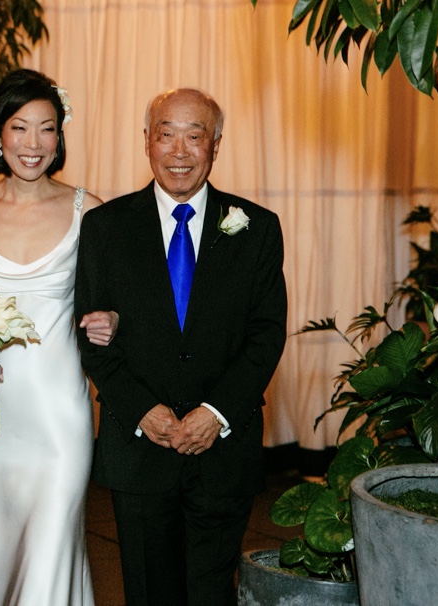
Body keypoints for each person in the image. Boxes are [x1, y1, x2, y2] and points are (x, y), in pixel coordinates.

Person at [74, 88, 288, 606]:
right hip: (140, 449)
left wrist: (216, 411)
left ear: (216, 145)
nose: (179, 150)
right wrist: (142, 410)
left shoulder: (256, 227)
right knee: (148, 592)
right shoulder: (106, 227)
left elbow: (267, 334)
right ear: (147, 141)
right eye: (166, 134)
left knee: (212, 592)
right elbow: (90, 336)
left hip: (224, 448)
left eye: (195, 137)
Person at [0, 69, 116, 606]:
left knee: (52, 541)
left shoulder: (91, 212)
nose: (33, 144)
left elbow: (114, 306)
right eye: (20, 128)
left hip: (60, 408)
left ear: (60, 138)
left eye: (47, 129)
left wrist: (110, 321)